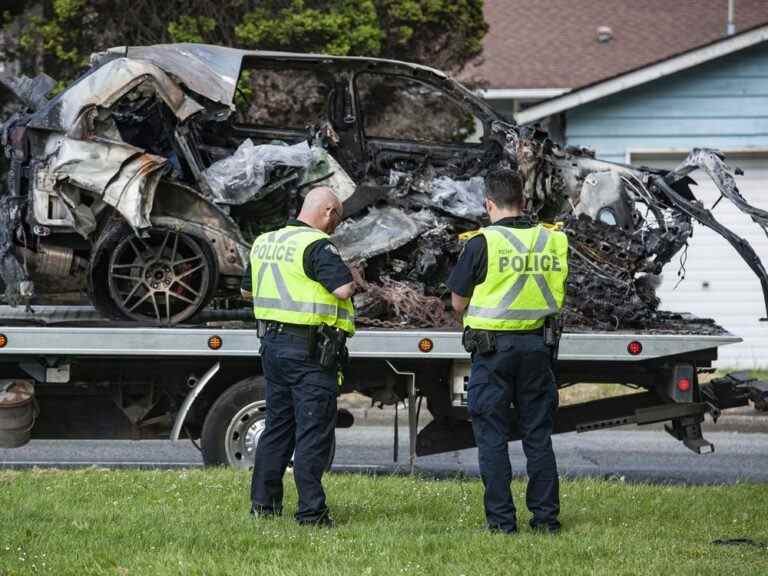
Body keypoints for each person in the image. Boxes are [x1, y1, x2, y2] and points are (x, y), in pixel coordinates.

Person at [446, 168, 568, 535]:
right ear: (524, 202)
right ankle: (546, 520)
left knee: (492, 438)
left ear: (488, 203)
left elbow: (457, 302)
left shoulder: (481, 243)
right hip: (537, 348)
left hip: (492, 352)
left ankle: (501, 523)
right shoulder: (552, 241)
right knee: (537, 436)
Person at [241, 186, 360, 527]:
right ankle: (311, 513)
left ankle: (263, 506)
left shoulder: (265, 242)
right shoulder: (317, 245)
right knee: (313, 430)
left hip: (273, 346)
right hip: (309, 351)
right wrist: (352, 277)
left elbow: (247, 289)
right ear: (327, 212)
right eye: (337, 218)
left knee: (278, 426)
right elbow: (342, 290)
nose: (336, 226)